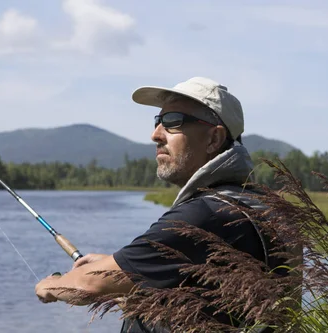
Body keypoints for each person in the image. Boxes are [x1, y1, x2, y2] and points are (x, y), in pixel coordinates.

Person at [35, 77, 287, 332]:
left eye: (173, 122)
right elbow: (212, 302)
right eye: (158, 121)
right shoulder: (262, 208)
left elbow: (90, 285)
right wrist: (128, 267)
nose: (155, 135)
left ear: (213, 138)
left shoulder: (203, 216)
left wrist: (52, 284)